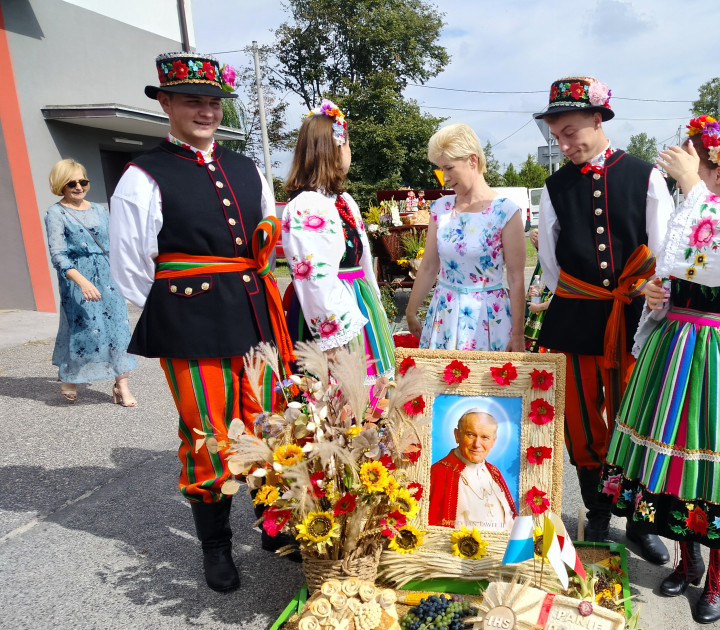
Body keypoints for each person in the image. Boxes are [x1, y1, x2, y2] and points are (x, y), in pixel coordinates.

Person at [109, 52, 295, 593]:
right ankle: (215, 548)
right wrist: (180, 309)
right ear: (165, 103)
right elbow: (130, 267)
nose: (205, 110)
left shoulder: (247, 166)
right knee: (207, 432)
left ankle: (272, 525)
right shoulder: (143, 175)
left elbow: (266, 233)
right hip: (189, 321)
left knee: (269, 423)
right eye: (192, 100)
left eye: (212, 101)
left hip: (253, 311)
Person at [603, 116, 720, 623]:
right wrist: (655, 295)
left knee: (713, 466)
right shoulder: (692, 223)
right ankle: (690, 559)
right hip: (670, 351)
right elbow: (673, 275)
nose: (684, 171)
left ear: (719, 169)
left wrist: (689, 186)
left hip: (712, 357)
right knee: (674, 464)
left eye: (695, 161)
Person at [533, 76, 674, 564]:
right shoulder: (554, 187)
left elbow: (664, 252)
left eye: (570, 131)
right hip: (577, 314)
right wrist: (583, 293)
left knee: (636, 417)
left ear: (598, 119)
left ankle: (638, 519)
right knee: (581, 419)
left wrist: (649, 299)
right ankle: (597, 509)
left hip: (636, 315)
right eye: (557, 135)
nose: (564, 143)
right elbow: (551, 266)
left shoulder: (646, 176)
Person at [280, 100, 396, 382]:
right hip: (331, 311)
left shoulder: (342, 200)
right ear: (335, 148)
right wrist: (333, 342)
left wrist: (374, 305)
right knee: (337, 395)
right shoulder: (307, 205)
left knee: (370, 398)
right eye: (348, 145)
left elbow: (364, 260)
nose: (350, 153)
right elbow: (315, 279)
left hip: (357, 300)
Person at [405, 123, 526, 352]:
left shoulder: (506, 212)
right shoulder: (440, 209)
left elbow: (516, 277)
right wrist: (411, 311)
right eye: (441, 170)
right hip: (444, 316)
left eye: (449, 168)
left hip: (489, 319)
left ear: (472, 160)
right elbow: (429, 266)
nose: (445, 178)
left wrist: (518, 334)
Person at [44, 159, 137, 405]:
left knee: (118, 330)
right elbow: (58, 255)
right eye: (71, 183)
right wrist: (82, 282)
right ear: (60, 185)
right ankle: (70, 376)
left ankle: (122, 385)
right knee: (83, 329)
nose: (78, 187)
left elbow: (114, 245)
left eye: (82, 181)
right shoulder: (56, 213)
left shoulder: (100, 210)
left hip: (108, 276)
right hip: (76, 277)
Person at [429, 409, 517, 531]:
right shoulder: (439, 472)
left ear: (493, 441)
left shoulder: (494, 473)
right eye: (470, 435)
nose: (477, 444)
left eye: (485, 437)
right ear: (457, 435)